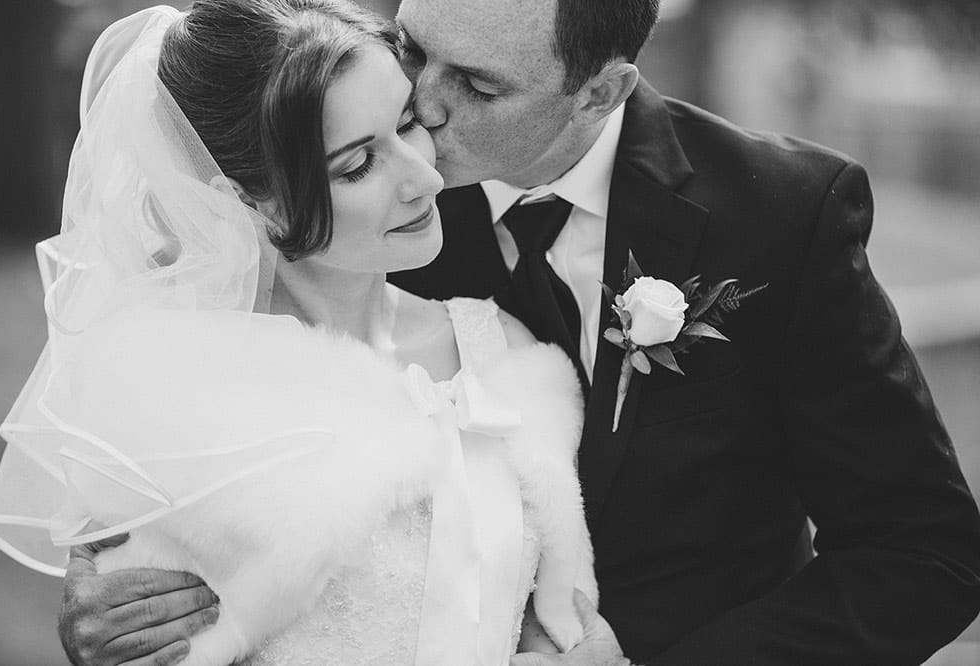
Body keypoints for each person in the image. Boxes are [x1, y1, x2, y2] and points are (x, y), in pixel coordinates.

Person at [54, 0, 980, 664]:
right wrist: (122, 598)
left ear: (600, 91)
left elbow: (925, 550)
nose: (423, 107)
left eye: (480, 86)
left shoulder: (780, 213)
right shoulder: (350, 200)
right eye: (416, 49)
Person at [0, 2, 600, 665]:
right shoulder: (180, 410)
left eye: (407, 124)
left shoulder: (503, 351)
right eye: (359, 164)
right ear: (248, 202)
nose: (424, 176)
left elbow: (554, 614)